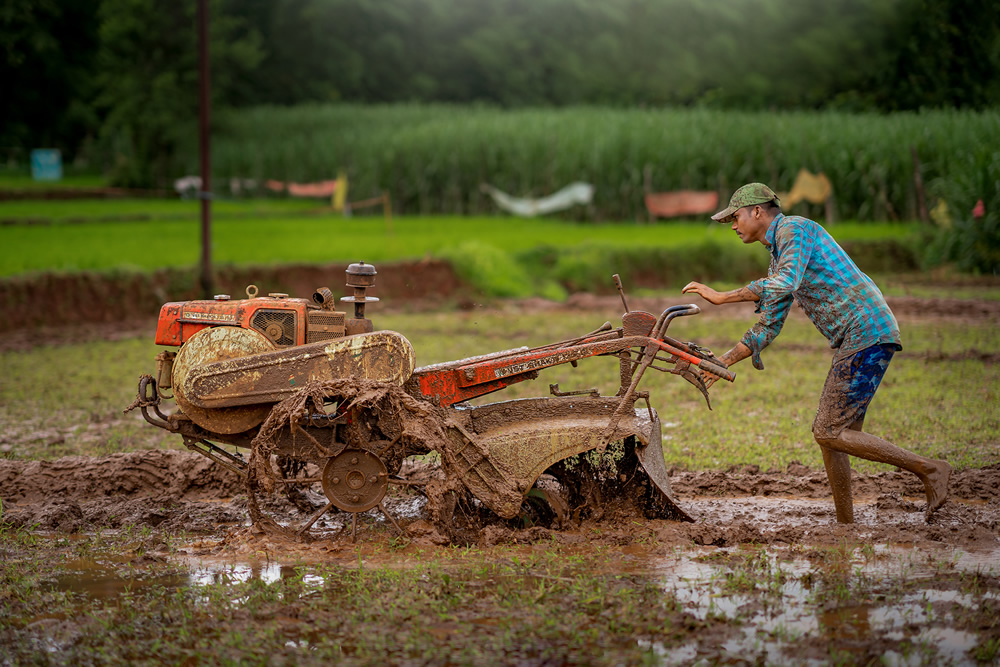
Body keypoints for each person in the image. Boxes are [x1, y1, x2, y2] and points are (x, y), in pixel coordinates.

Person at [681, 183, 951, 523]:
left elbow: (788, 282)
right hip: (861, 335)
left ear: (757, 212)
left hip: (864, 330)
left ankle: (930, 469)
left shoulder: (796, 229)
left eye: (735, 218)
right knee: (835, 437)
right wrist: (722, 361)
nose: (733, 226)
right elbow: (769, 326)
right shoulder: (778, 256)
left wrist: (722, 296)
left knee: (828, 431)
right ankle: (845, 522)